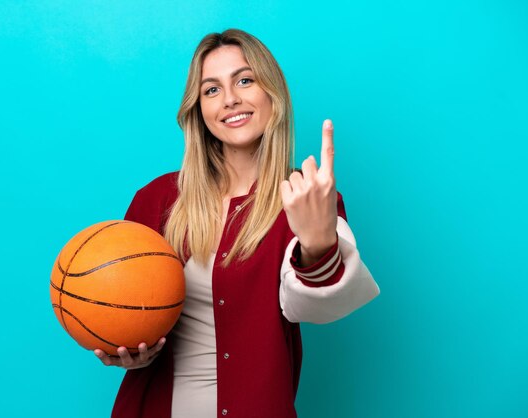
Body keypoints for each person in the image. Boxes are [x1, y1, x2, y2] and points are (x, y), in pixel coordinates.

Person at [93, 28, 380, 418]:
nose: (230, 100)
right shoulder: (156, 199)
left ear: (272, 94)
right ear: (198, 109)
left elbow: (317, 309)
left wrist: (316, 246)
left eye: (245, 80)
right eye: (211, 90)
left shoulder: (306, 196)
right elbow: (121, 308)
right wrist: (128, 352)